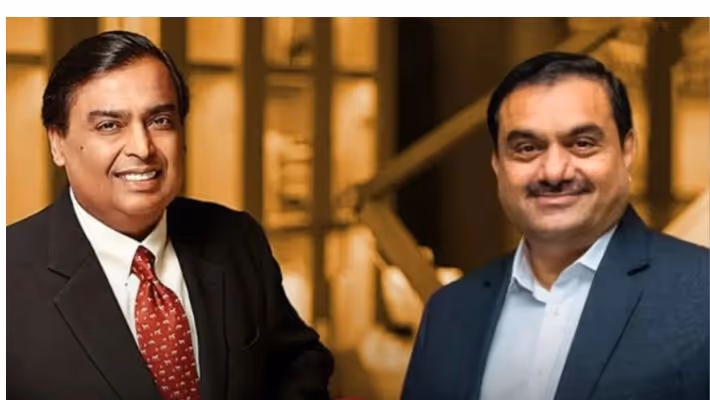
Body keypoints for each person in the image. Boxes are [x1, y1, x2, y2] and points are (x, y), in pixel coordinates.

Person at [7, 30, 333, 400]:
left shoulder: (236, 238)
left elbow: (299, 365)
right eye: (109, 125)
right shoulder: (9, 276)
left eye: (160, 120)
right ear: (57, 143)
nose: (142, 148)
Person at [401, 52, 709, 400]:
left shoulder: (701, 292)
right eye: (526, 148)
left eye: (582, 144)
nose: (553, 172)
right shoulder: (448, 312)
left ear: (627, 151)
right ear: (497, 164)